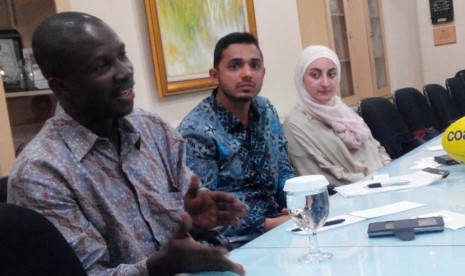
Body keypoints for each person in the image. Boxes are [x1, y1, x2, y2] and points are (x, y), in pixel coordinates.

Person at [7, 12, 246, 276]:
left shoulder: (153, 130)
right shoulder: (40, 173)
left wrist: (196, 220)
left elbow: (186, 219)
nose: (124, 71)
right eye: (102, 66)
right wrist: (155, 268)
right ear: (61, 87)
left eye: (122, 55)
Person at [177, 32, 295, 247]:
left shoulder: (266, 110)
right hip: (231, 245)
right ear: (215, 75)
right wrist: (269, 224)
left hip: (283, 228)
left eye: (254, 65)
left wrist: (298, 203)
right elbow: (205, 213)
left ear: (263, 72)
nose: (247, 74)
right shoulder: (196, 131)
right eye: (235, 66)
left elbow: (282, 169)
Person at [283, 45, 390, 186]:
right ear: (301, 78)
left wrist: (389, 167)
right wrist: (375, 179)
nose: (325, 83)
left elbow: (375, 147)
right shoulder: (295, 124)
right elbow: (324, 177)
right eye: (315, 75)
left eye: (331, 74)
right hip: (355, 195)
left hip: (383, 183)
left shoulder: (343, 111)